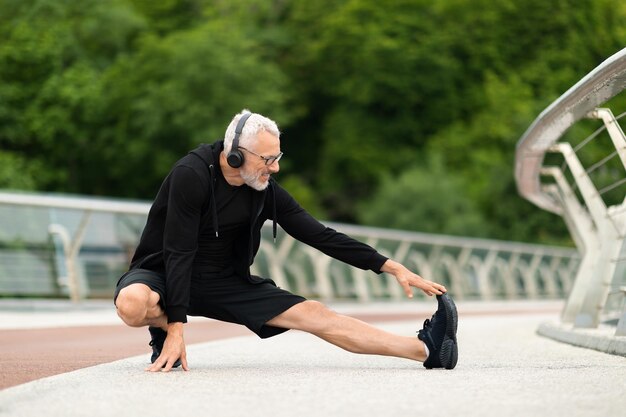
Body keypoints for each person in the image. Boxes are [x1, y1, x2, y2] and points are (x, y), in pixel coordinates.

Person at [113, 109, 459, 372]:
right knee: (131, 303)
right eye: (268, 159)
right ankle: (162, 335)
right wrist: (175, 327)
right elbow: (178, 249)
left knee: (315, 314)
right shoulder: (192, 175)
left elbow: (319, 234)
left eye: (277, 158)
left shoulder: (263, 190)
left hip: (223, 281)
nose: (275, 168)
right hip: (164, 271)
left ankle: (426, 349)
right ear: (236, 155)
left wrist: (390, 266)